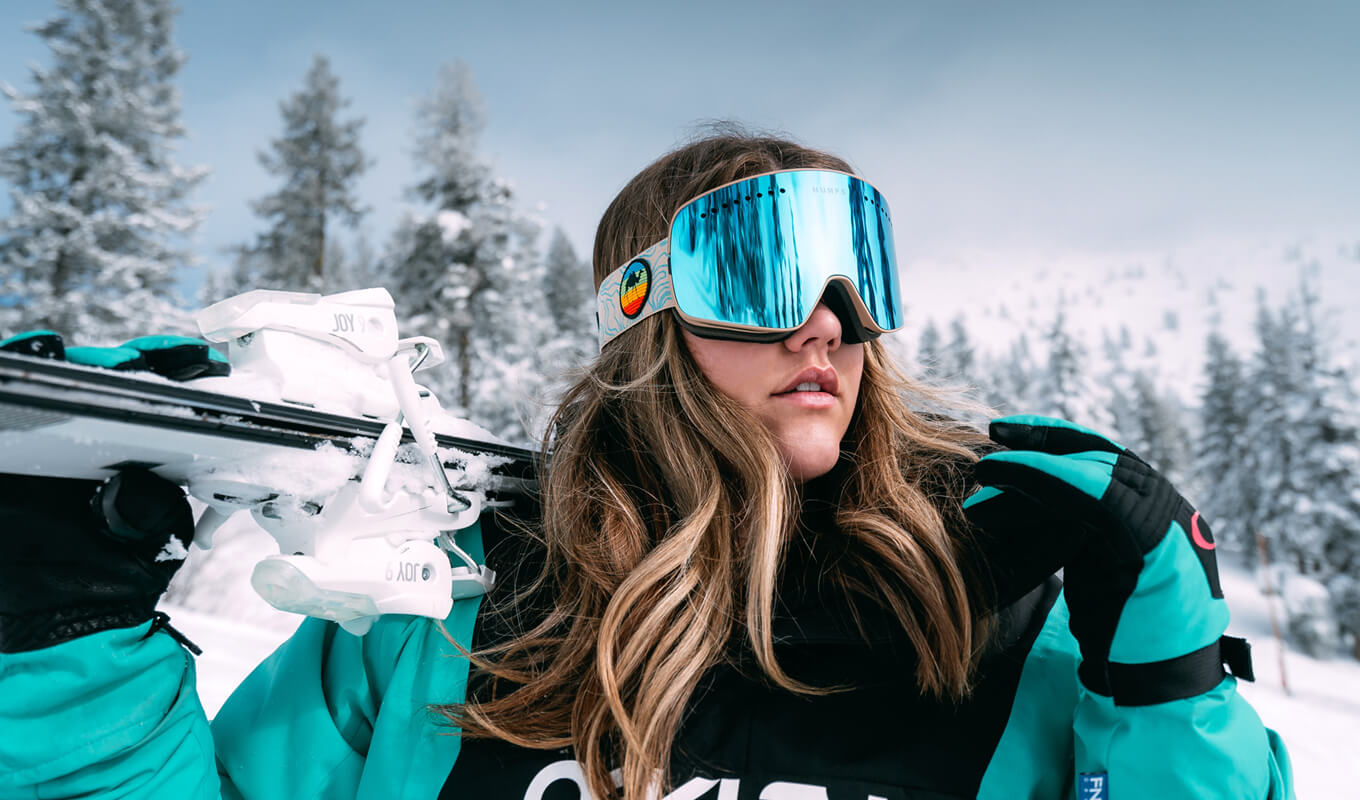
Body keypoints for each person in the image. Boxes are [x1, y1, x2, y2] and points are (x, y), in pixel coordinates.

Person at [0, 132, 1294, 800]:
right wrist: (66, 647)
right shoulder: (447, 622)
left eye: (859, 274)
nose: (826, 321)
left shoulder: (995, 636)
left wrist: (1167, 674)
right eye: (765, 264)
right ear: (643, 313)